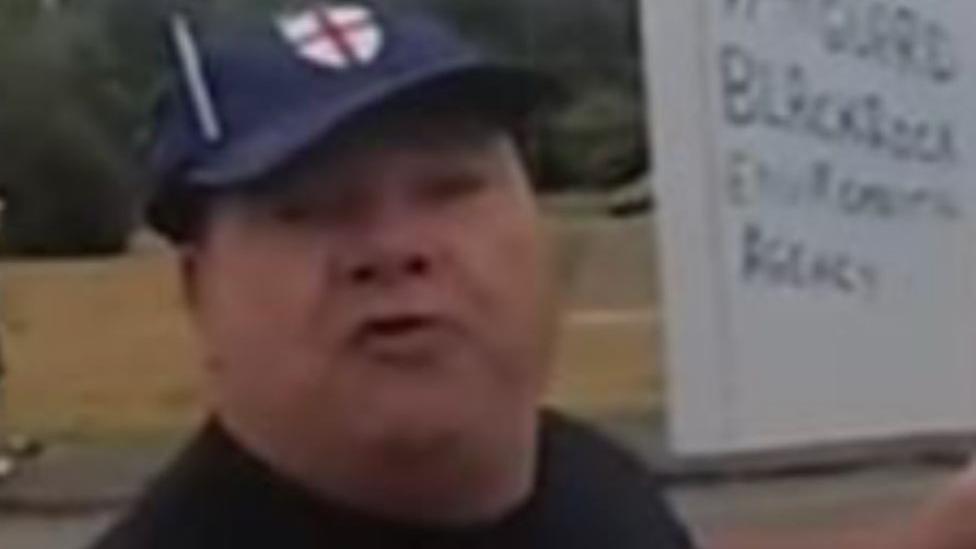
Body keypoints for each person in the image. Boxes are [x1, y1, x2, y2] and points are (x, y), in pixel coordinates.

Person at [90, 3, 696, 548]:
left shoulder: (614, 504)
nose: (395, 248)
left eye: (449, 188)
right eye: (311, 207)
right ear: (200, 292)